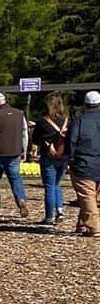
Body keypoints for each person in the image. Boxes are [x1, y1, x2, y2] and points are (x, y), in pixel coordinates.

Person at [0, 92, 30, 217]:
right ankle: (21, 199)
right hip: (14, 152)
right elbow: (24, 134)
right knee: (15, 178)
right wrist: (24, 151)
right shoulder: (20, 114)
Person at [65, 90, 100, 237]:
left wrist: (70, 159)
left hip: (84, 162)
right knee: (91, 195)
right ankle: (82, 224)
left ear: (85, 104)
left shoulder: (79, 121)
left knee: (87, 196)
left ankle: (94, 227)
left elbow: (72, 141)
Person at [31, 93, 69, 226]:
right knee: (57, 184)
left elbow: (35, 139)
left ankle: (49, 216)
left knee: (49, 186)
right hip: (64, 156)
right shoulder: (67, 120)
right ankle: (60, 210)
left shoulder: (42, 121)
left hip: (49, 156)